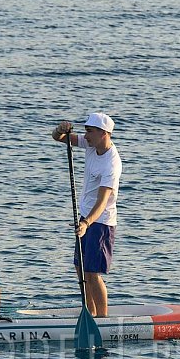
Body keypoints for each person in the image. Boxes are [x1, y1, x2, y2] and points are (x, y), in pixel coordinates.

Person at [51, 112, 122, 318]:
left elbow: (103, 201)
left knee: (92, 273)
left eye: (89, 131)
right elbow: (61, 139)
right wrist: (60, 130)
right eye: (85, 130)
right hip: (86, 218)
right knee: (80, 268)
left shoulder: (112, 164)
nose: (85, 135)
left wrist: (86, 223)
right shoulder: (92, 145)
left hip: (100, 222)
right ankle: (89, 311)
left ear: (104, 133)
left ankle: (102, 318)